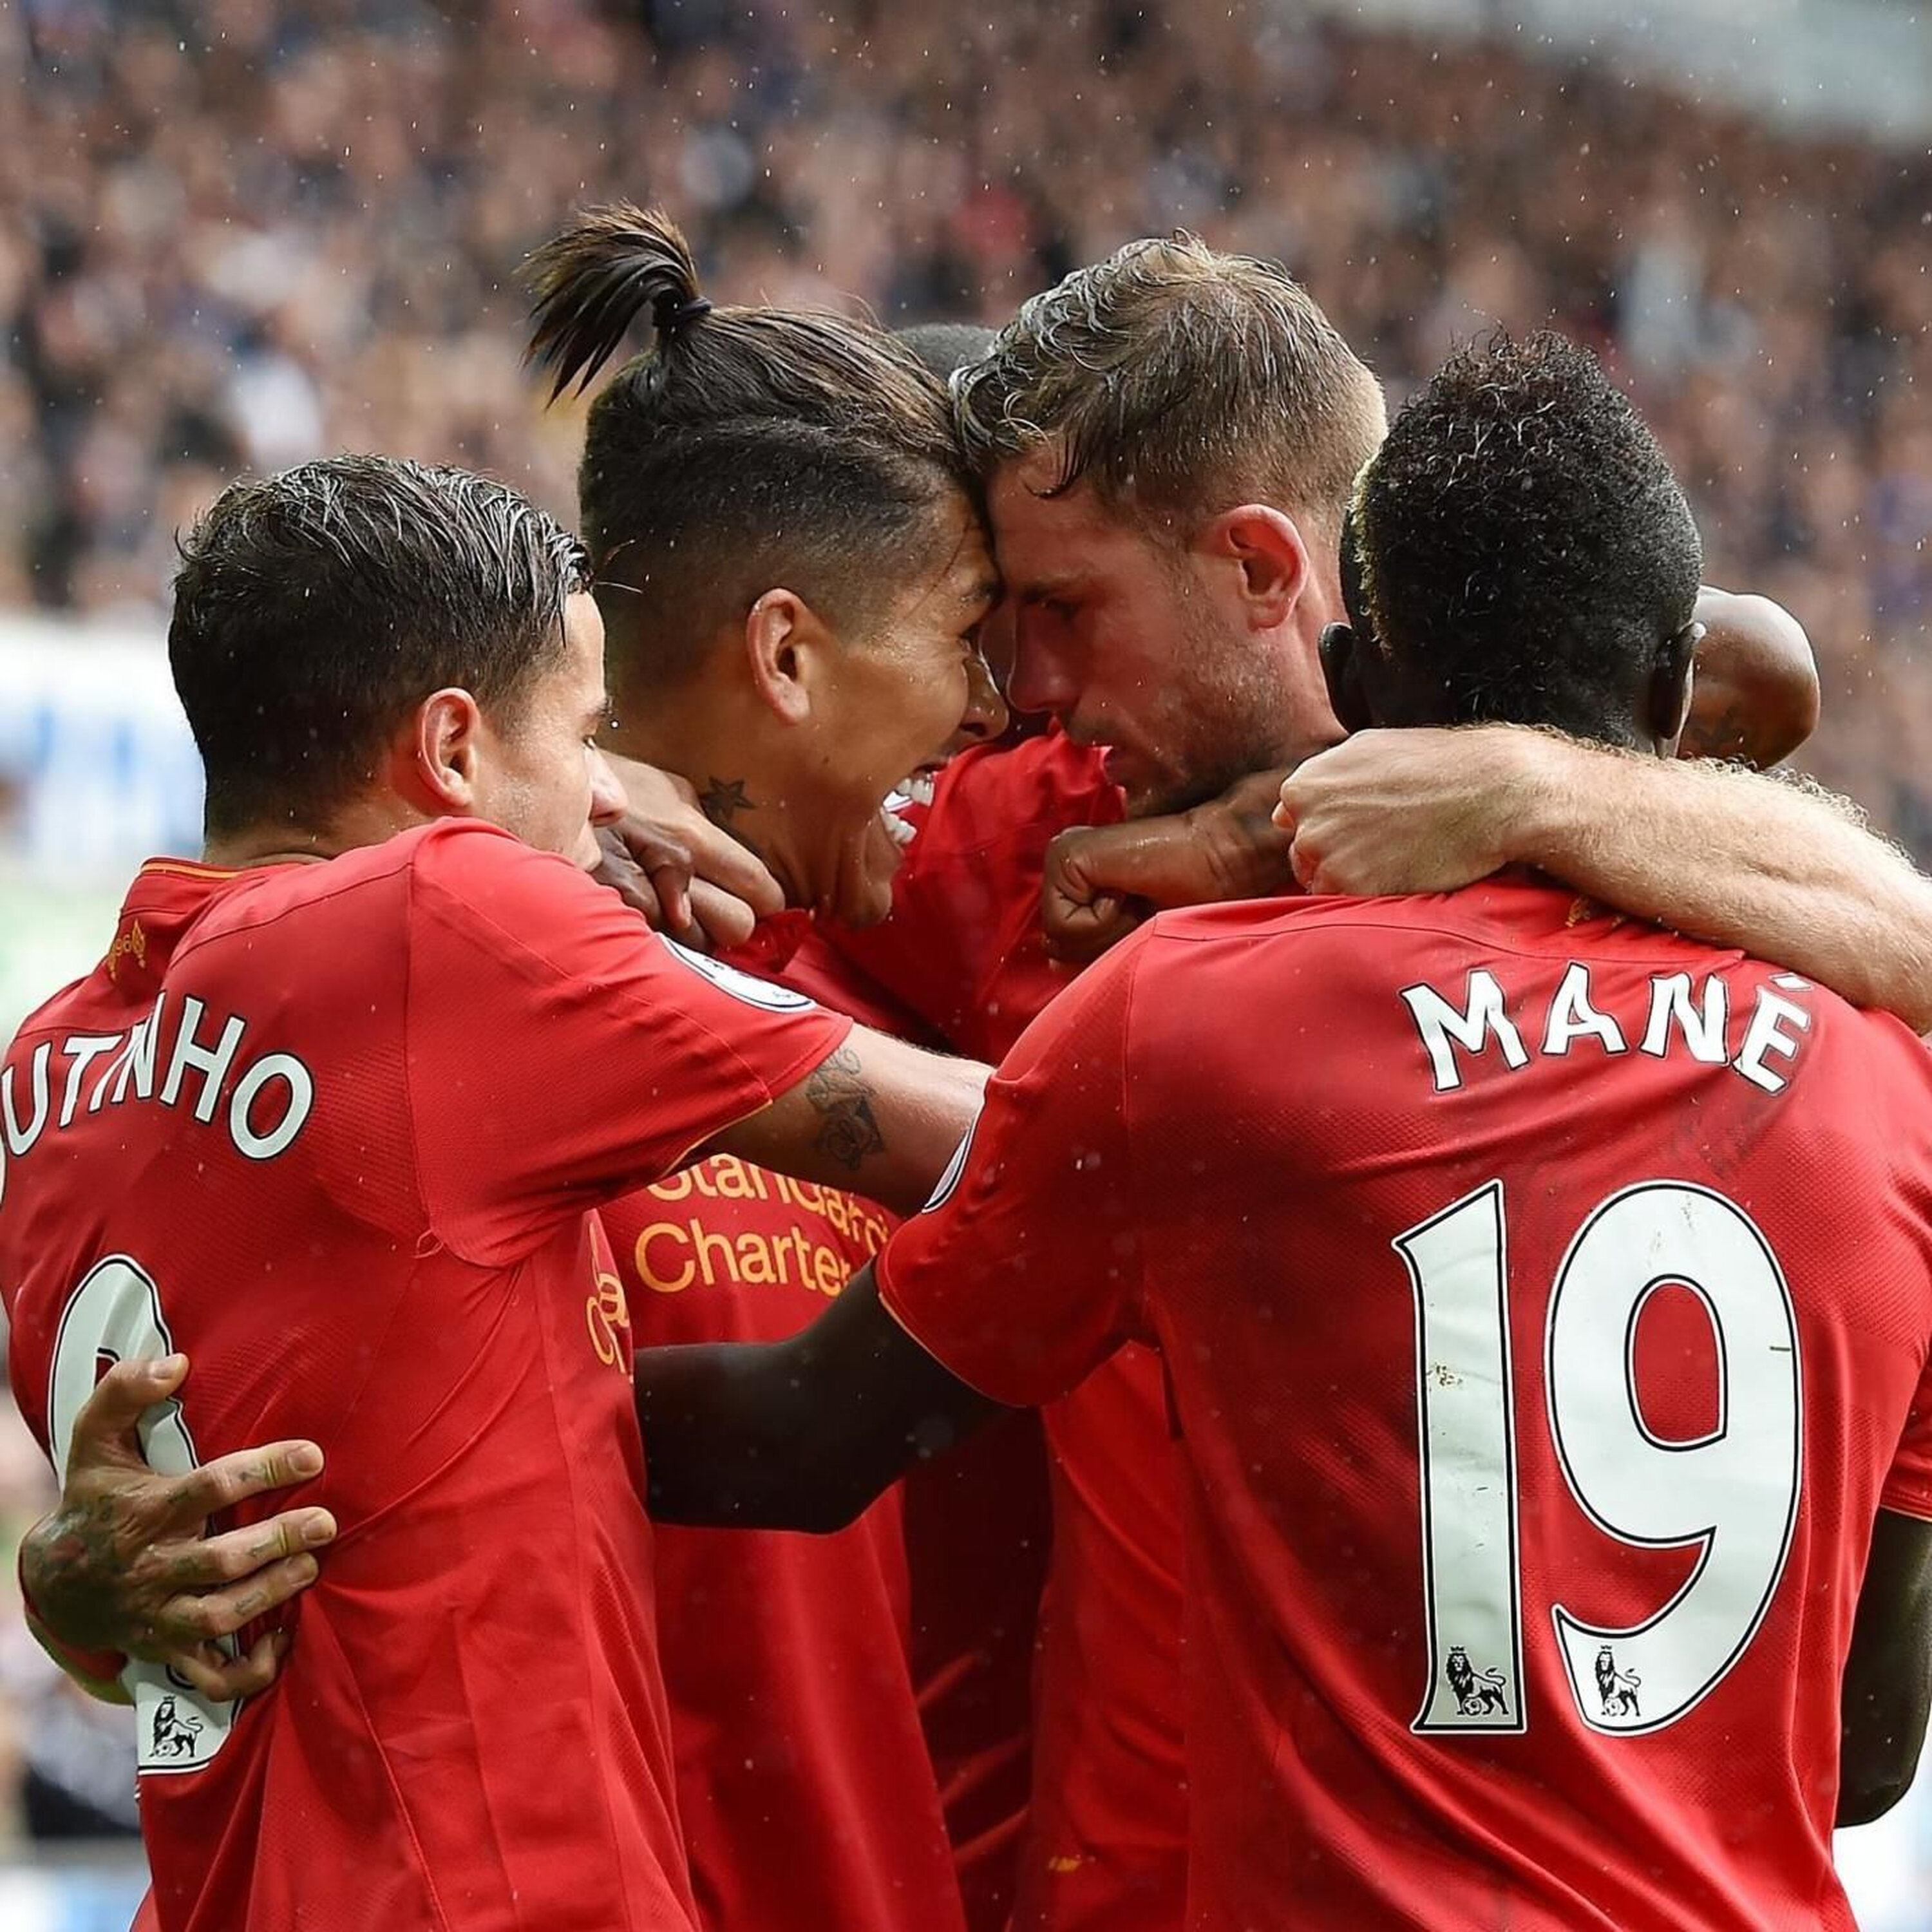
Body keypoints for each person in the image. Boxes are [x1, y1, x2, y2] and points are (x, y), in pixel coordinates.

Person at [630, 330, 1932, 1927]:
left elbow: (807, 1434)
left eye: (1060, 611)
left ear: (1332, 650)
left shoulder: (1184, 1009)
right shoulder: (1881, 1083)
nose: (1021, 691)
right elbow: (1867, 1751)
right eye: (990, 626)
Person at [0, 453, 986, 1932]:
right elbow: (1005, 1141)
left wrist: (59, 1588)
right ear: (452, 748)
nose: (607, 796)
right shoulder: (438, 930)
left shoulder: (52, 1067)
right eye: (584, 739)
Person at [519, 205, 1008, 1932]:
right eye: (963, 639)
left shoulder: (926, 973)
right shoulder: (447, 981)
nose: (992, 711)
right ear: (789, 655)